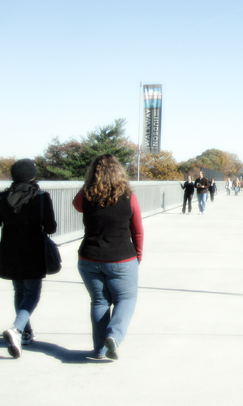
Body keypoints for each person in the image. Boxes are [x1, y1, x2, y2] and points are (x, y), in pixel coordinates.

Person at [73, 154, 144, 360]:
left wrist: (90, 184)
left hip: (89, 257)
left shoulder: (86, 195)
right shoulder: (129, 197)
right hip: (121, 258)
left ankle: (100, 350)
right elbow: (137, 231)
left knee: (99, 302)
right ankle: (114, 336)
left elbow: (76, 205)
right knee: (126, 298)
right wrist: (138, 255)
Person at [0, 159, 57, 359]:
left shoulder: (3, 197)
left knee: (20, 291)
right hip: (32, 250)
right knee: (32, 294)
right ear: (32, 175)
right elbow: (50, 227)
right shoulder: (41, 197)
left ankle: (25, 333)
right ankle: (16, 329)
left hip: (9, 250)